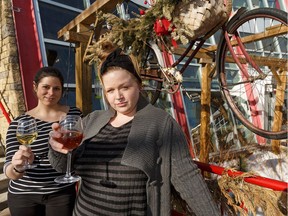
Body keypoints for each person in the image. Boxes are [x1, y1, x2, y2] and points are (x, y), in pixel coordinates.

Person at [48, 46, 220, 216]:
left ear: (138, 85)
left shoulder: (160, 123)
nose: (118, 96)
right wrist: (58, 151)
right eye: (110, 90)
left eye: (124, 87)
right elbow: (62, 167)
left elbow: (187, 178)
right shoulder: (93, 120)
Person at [4, 66, 82, 216]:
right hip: (23, 195)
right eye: (46, 87)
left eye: (56, 88)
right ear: (35, 87)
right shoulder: (20, 122)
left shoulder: (74, 115)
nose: (51, 93)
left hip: (61, 193)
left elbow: (82, 149)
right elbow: (9, 169)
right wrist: (18, 167)